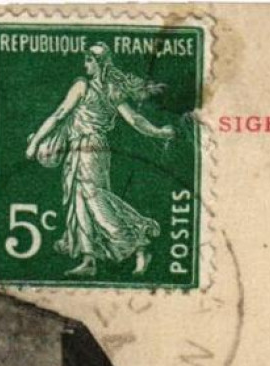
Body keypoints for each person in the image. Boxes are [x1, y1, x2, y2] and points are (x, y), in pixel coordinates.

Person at [24, 44, 176, 277]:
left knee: (94, 200)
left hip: (87, 148)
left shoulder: (82, 86)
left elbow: (59, 114)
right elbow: (135, 120)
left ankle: (138, 243)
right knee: (80, 201)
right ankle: (89, 260)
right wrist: (158, 132)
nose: (85, 65)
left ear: (98, 63)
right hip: (92, 149)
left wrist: (35, 143)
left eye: (88, 61)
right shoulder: (113, 90)